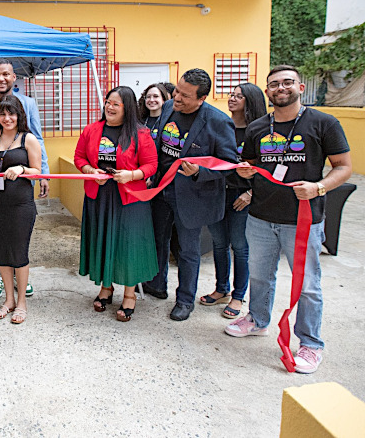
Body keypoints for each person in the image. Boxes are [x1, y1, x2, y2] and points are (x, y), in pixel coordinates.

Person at [225, 65, 351, 374]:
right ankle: (257, 320)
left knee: (307, 284)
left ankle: (310, 344)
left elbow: (344, 166)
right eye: (274, 85)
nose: (281, 88)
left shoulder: (324, 123)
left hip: (303, 220)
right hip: (260, 217)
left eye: (287, 83)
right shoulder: (257, 128)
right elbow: (253, 164)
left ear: (300, 87)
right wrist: (246, 171)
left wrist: (319, 187)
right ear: (267, 92)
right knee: (260, 276)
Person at [142, 68, 238, 321]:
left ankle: (185, 300)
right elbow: (160, 146)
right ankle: (156, 285)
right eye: (177, 91)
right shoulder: (168, 108)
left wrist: (199, 171)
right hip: (161, 189)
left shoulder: (218, 121)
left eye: (185, 95)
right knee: (157, 241)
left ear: (201, 98)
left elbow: (228, 162)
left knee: (187, 250)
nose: (177, 98)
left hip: (193, 196)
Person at [75, 86, 159, 321]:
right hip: (99, 196)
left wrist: (130, 175)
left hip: (130, 198)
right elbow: (79, 157)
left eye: (116, 104)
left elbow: (151, 165)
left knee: (127, 245)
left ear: (127, 108)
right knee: (103, 240)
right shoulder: (92, 130)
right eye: (108, 102)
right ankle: (106, 287)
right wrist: (91, 171)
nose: (109, 107)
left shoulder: (140, 134)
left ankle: (129, 294)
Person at [0, 58, 48, 300]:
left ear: (14, 77)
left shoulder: (29, 104)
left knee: (19, 232)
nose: (0, 78)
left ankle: (19, 277)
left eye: (5, 74)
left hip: (21, 186)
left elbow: (38, 139)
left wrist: (41, 172)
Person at [200, 83, 267, 318]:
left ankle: (239, 296)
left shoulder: (258, 131)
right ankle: (222, 290)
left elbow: (266, 168)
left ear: (251, 101)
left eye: (239, 96)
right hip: (218, 193)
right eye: (232, 95)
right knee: (219, 243)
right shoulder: (221, 125)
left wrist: (251, 194)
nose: (232, 99)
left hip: (243, 197)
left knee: (240, 247)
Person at [0, 96, 42, 324]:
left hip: (20, 204)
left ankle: (22, 302)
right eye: (3, 114)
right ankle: (9, 300)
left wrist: (22, 168)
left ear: (19, 115)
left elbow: (38, 170)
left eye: (11, 114)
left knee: (19, 253)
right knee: (1, 252)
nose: (7, 118)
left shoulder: (29, 139)